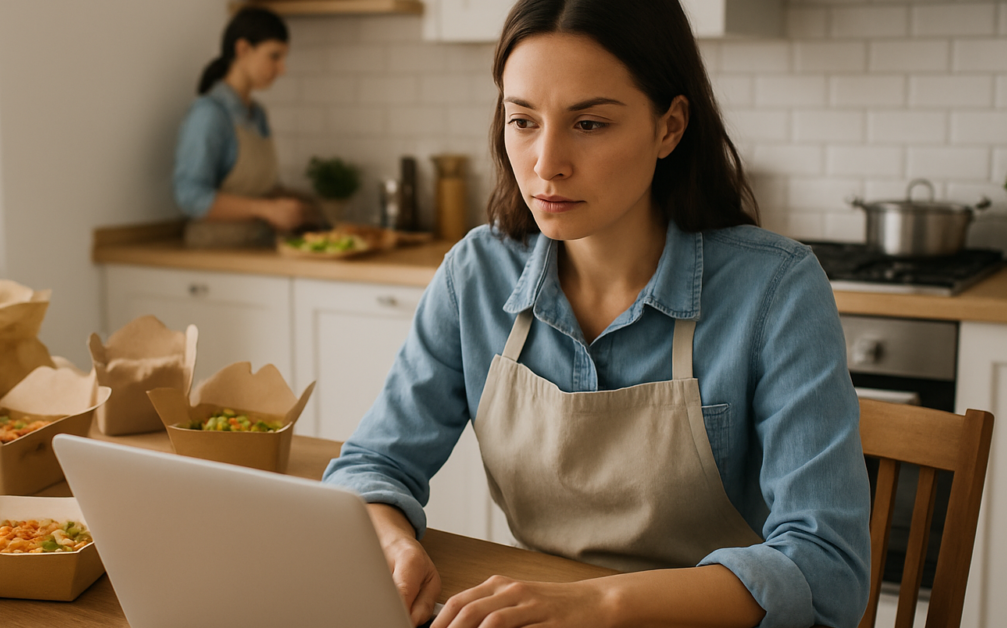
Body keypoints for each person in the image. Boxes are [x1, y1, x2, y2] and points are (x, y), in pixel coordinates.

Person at [321, 0, 872, 627]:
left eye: (589, 124)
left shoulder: (775, 288)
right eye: (523, 121)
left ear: (669, 127)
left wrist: (600, 604)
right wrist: (392, 545)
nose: (545, 163)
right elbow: (371, 466)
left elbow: (828, 568)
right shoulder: (475, 274)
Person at [173, 7, 312, 248]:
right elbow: (190, 196)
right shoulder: (209, 114)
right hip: (215, 252)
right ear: (243, 49)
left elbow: (257, 189)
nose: (283, 69)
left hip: (257, 245)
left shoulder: (257, 114)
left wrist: (300, 206)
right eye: (274, 56)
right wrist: (265, 209)